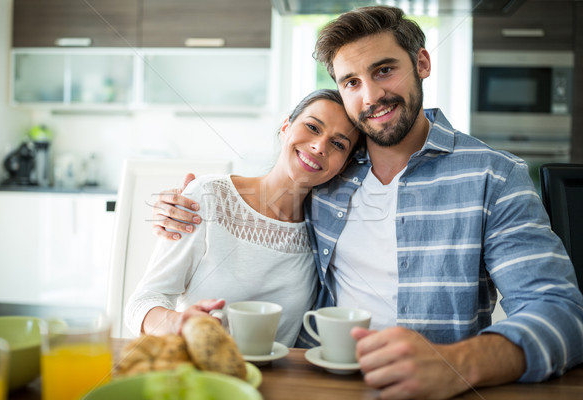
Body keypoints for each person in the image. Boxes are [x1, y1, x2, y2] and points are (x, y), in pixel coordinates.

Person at [150, 6, 583, 399]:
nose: (371, 96)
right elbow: (264, 194)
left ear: (422, 63)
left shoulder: (493, 175)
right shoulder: (330, 171)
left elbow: (562, 314)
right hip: (314, 385)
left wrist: (458, 366)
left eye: (384, 70)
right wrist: (192, 200)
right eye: (351, 82)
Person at [125, 89, 361, 349]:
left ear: (345, 163)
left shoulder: (323, 233)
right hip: (200, 375)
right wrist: (177, 323)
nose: (319, 146)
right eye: (312, 127)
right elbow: (141, 303)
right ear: (286, 127)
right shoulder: (208, 196)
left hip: (277, 385)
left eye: (338, 144)